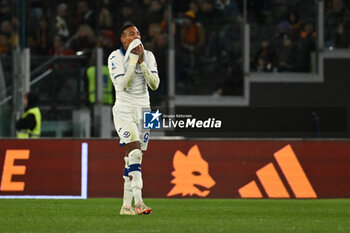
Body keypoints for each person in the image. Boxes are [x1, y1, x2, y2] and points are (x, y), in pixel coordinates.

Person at [107, 23, 159, 215]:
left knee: (134, 159)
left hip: (146, 111)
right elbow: (122, 84)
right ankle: (139, 203)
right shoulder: (115, 56)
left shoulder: (150, 55)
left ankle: (125, 206)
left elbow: (155, 85)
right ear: (123, 39)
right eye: (131, 34)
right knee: (135, 154)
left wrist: (142, 63)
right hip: (124, 108)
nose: (136, 36)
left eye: (137, 32)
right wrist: (132, 61)